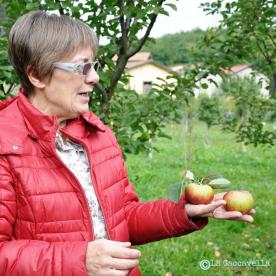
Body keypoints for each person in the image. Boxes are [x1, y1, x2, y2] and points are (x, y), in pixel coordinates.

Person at [0, 11, 255, 276]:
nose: (94, 77)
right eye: (81, 67)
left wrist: (185, 212)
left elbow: (123, 219)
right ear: (37, 75)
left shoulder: (98, 136)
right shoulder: (5, 144)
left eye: (94, 65)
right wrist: (79, 261)